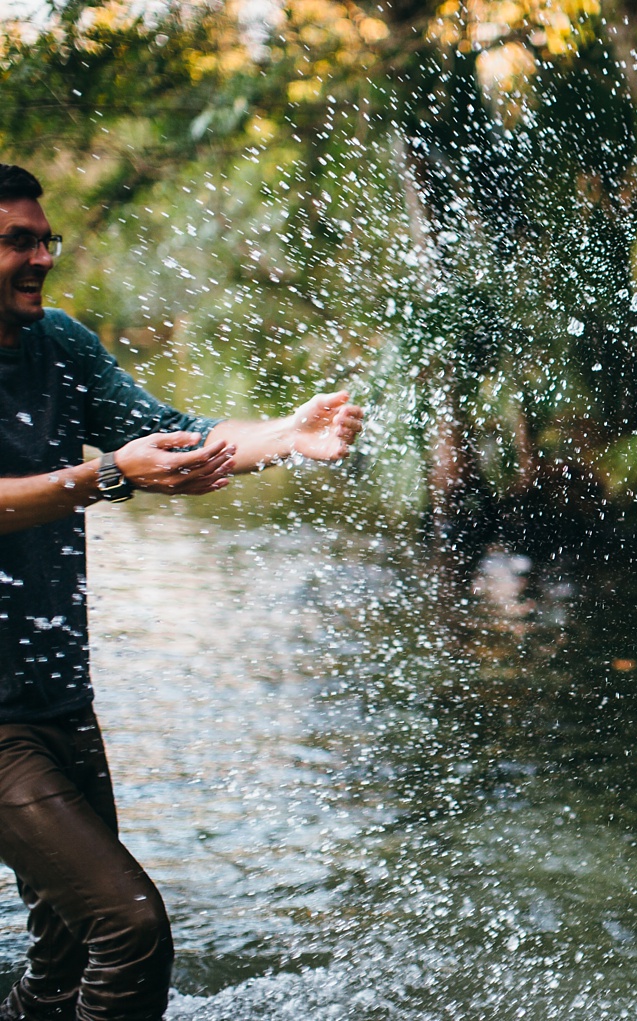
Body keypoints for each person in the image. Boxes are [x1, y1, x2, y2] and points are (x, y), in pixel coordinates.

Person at [0, 163, 364, 1021]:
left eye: (44, 238)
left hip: (59, 701)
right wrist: (107, 479)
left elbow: (184, 439)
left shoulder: (63, 347)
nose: (41, 257)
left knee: (66, 949)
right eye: (17, 240)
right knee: (129, 926)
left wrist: (288, 435)